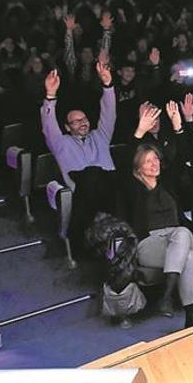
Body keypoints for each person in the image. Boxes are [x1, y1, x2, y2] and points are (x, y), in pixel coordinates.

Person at [124, 129, 193, 328]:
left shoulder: (167, 182)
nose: (154, 164)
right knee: (189, 258)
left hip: (177, 237)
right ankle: (191, 315)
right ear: (138, 166)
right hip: (149, 243)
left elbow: (183, 155)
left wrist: (179, 128)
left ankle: (166, 295)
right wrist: (139, 131)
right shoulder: (131, 187)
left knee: (183, 233)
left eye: (156, 159)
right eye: (148, 161)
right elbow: (123, 162)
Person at [40, 63, 118, 252]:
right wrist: (50, 96)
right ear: (67, 127)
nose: (82, 123)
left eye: (84, 119)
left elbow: (108, 115)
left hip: (109, 186)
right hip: (81, 191)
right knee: (90, 177)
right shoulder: (61, 144)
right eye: (76, 121)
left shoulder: (100, 136)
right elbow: (48, 127)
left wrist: (108, 86)